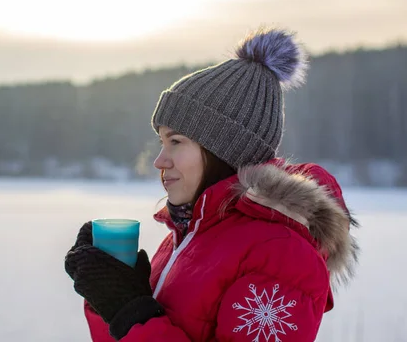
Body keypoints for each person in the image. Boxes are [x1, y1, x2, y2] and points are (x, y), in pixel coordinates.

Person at [64, 27, 359, 341]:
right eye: (161, 142)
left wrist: (131, 312)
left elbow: (142, 325)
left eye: (176, 141)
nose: (160, 160)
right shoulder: (190, 235)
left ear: (224, 149)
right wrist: (107, 298)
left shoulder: (282, 255)